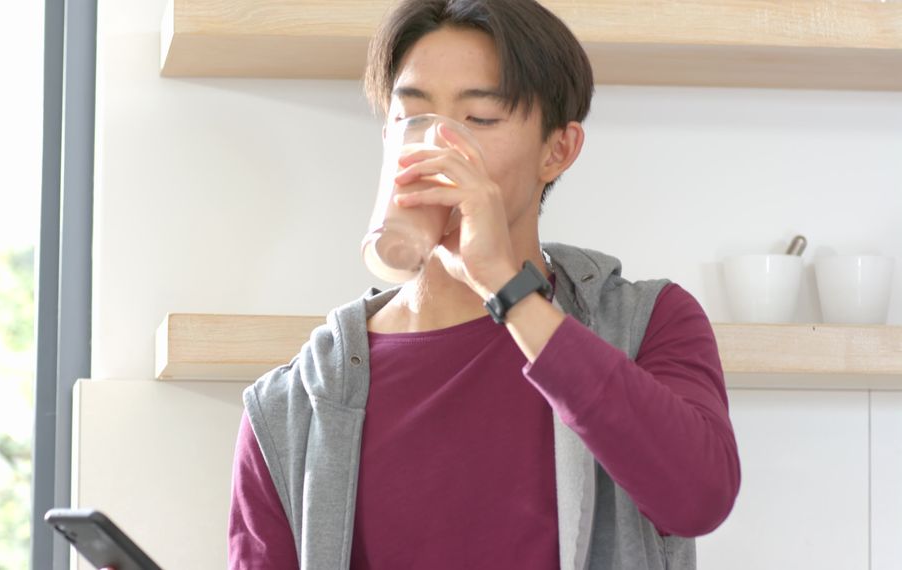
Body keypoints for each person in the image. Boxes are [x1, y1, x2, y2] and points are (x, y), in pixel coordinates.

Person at [228, 0, 741, 568]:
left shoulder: (645, 324)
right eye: (411, 119)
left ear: (558, 149)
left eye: (479, 119)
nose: (437, 149)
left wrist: (504, 282)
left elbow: (699, 499)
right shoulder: (291, 406)